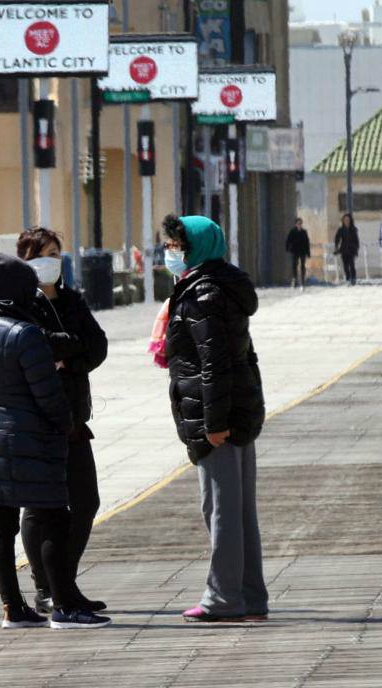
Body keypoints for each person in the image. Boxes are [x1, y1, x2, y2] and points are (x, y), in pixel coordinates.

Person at [0, 253, 111, 630]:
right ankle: (63, 606)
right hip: (29, 436)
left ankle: (13, 608)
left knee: (2, 526)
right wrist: (66, 424)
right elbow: (47, 395)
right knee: (54, 518)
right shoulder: (24, 334)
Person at [154, 215, 268, 623]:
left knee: (219, 508)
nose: (170, 252)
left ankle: (223, 597)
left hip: (217, 417)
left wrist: (213, 423)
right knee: (238, 510)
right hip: (239, 408)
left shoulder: (202, 295)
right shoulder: (222, 287)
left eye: (175, 245)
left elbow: (213, 365)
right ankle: (250, 595)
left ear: (194, 248)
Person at [15, 228, 109, 615]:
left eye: (55, 254)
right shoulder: (21, 302)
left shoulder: (72, 299)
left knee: (86, 501)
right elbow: (37, 345)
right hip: (39, 418)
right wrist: (71, 345)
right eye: (41, 254)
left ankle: (63, 583)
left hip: (74, 418)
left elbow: (97, 346)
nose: (49, 261)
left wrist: (68, 356)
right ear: (24, 260)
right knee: (40, 508)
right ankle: (47, 587)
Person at [334, 213, 360, 286]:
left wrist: (356, 248)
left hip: (352, 249)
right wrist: (336, 247)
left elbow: (356, 240)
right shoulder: (341, 229)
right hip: (344, 249)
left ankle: (353, 278)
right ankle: (348, 278)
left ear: (350, 220)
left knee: (352, 264)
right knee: (345, 265)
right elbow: (337, 239)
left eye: (348, 220)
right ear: (343, 221)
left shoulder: (353, 229)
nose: (346, 221)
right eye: (345, 220)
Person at [285, 218, 311, 289]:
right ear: (296, 224)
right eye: (298, 223)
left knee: (302, 266)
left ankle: (302, 280)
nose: (299, 225)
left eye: (300, 223)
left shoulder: (304, 232)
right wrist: (287, 248)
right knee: (294, 265)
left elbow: (307, 242)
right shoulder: (292, 231)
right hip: (295, 251)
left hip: (302, 251)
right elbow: (288, 240)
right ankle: (294, 279)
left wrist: (308, 253)